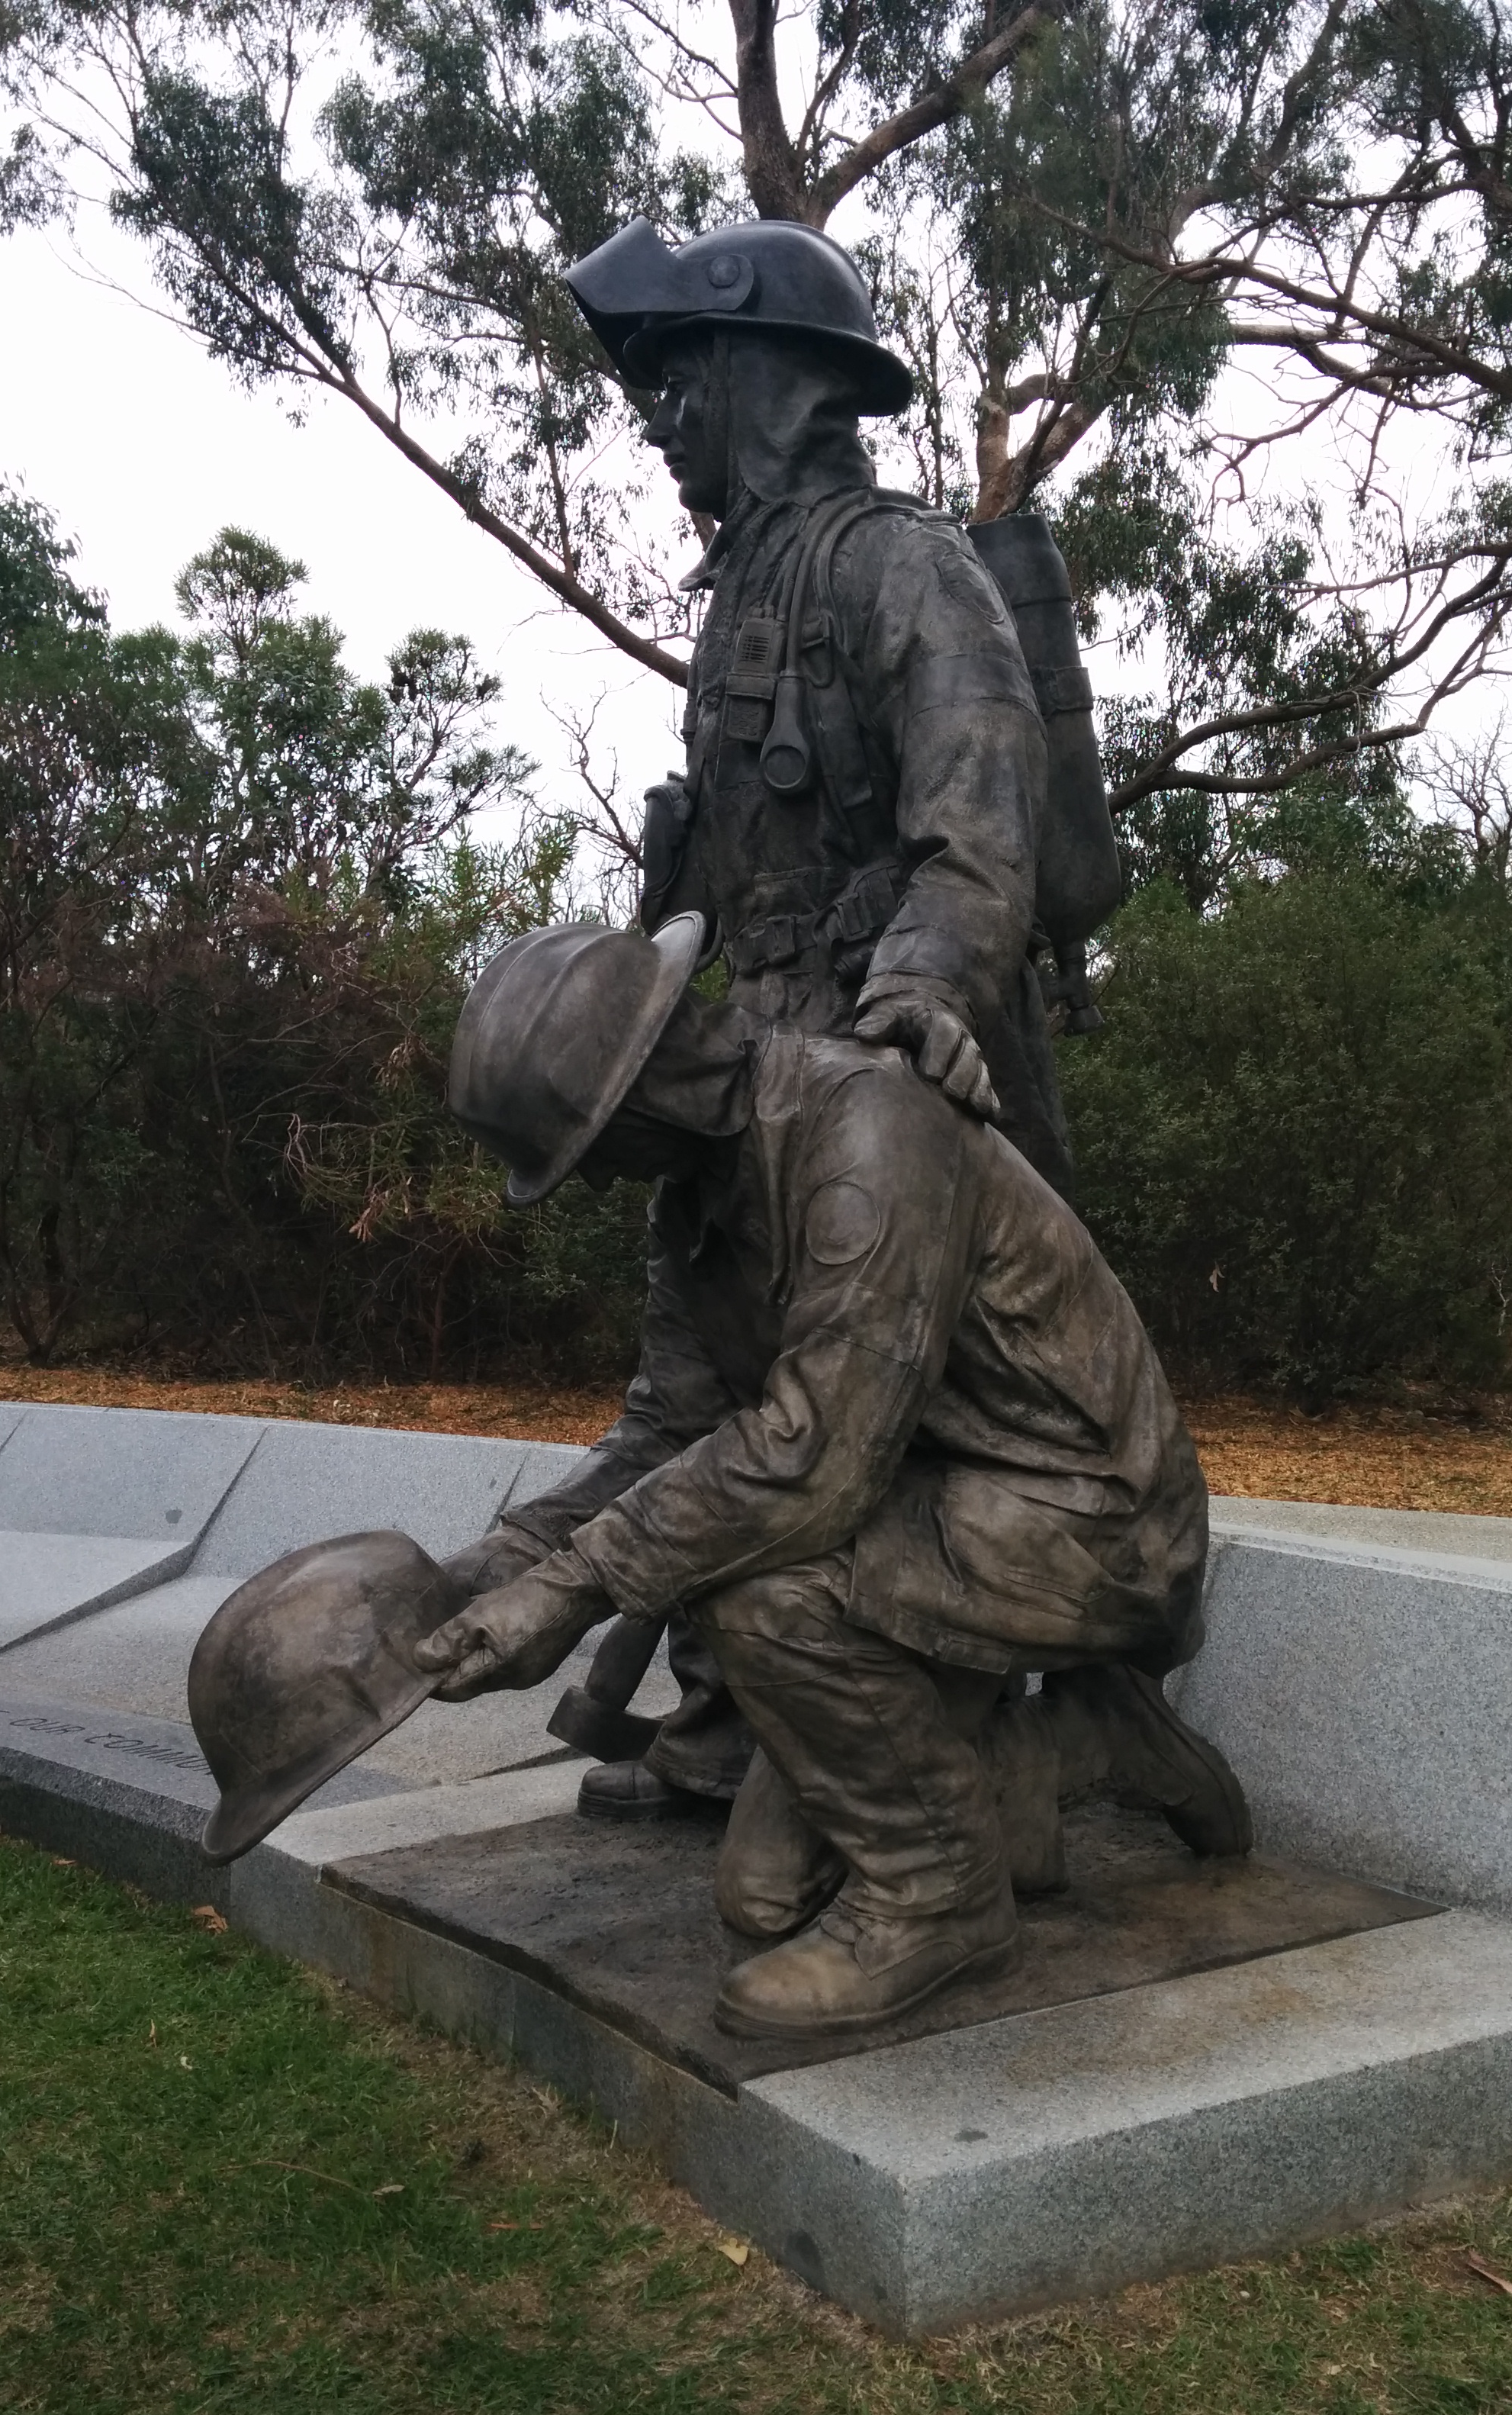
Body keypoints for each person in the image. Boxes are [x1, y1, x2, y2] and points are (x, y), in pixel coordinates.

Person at [471, 216, 1076, 1824]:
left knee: (870, 1402)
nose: (664, 427)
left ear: (774, 379)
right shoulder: (744, 597)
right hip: (752, 1041)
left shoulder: (901, 565)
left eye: (683, 389)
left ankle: (924, 1752)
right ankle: (738, 1720)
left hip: (885, 1048)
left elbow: (981, 805)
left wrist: (925, 993)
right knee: (709, 1379)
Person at [416, 917, 1246, 2042]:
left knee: (758, 1593)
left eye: (590, 1152)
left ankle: (943, 1891)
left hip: (1091, 1519)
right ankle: (1078, 1744)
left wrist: (574, 1588)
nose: (598, 1183)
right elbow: (667, 1428)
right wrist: (499, 1565)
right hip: (935, 1521)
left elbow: (815, 1462)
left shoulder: (868, 1129)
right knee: (758, 1894)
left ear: (640, 1097)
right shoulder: (697, 1212)